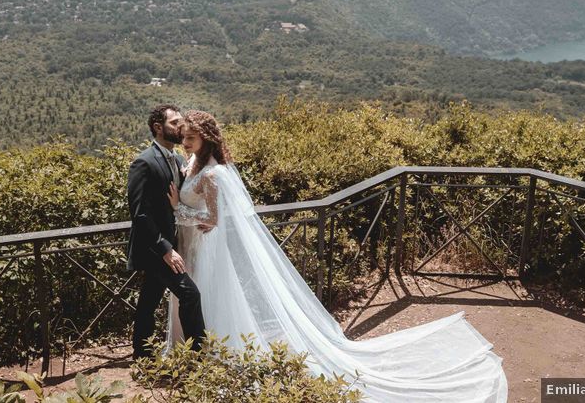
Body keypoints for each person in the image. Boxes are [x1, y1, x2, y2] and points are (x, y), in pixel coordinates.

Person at [165, 110, 508, 402]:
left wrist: (178, 207)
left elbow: (212, 219)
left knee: (210, 298)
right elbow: (192, 182)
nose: (186, 144)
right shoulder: (194, 163)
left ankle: (211, 358)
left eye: (191, 139)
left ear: (206, 139)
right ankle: (196, 355)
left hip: (207, 248)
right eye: (184, 139)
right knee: (197, 299)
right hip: (193, 246)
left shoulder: (212, 174)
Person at [126, 104, 206, 359]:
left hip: (175, 243)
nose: (180, 126)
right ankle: (197, 357)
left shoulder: (180, 160)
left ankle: (141, 356)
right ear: (158, 128)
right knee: (189, 293)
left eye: (181, 121)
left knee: (149, 300)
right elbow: (139, 213)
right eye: (174, 123)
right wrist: (166, 250)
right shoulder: (143, 162)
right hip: (156, 249)